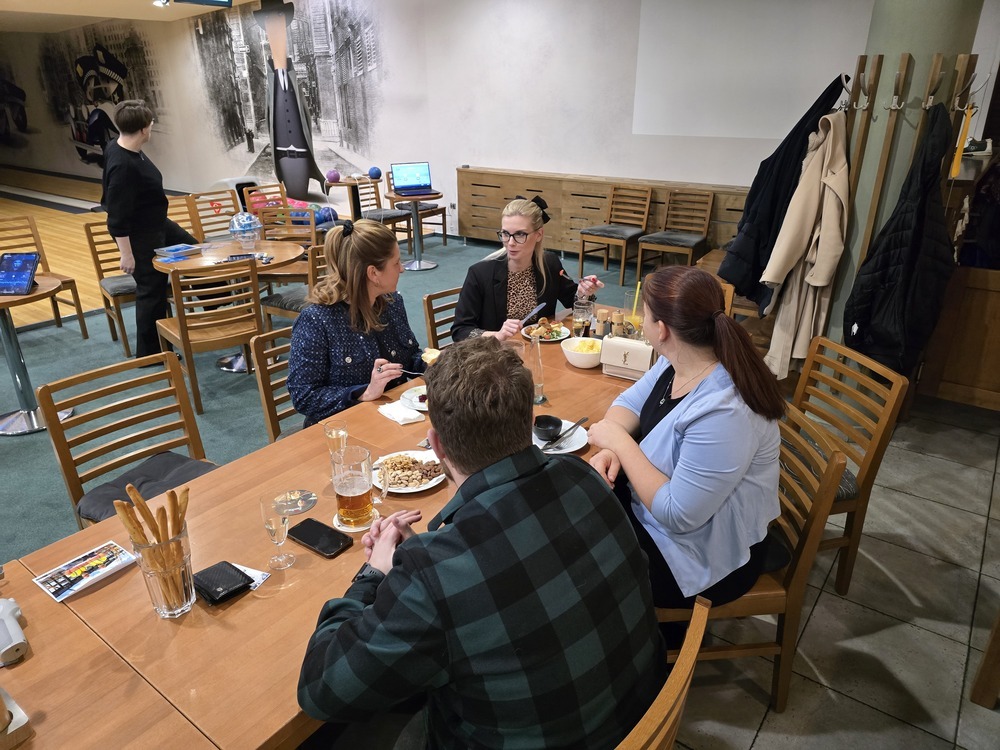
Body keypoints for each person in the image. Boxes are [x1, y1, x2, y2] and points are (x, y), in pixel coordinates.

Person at [297, 337, 666, 749]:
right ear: (527, 421)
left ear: (437, 445)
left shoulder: (435, 571)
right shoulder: (585, 478)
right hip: (636, 723)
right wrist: (424, 560)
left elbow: (320, 690)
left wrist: (374, 574)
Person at [588, 266, 787, 630]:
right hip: (666, 523)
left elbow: (679, 515)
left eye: (644, 315)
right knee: (576, 513)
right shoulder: (681, 361)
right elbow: (628, 403)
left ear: (662, 329)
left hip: (705, 558)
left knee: (580, 564)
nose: (642, 322)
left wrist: (619, 443)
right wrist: (612, 448)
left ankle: (641, 648)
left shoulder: (725, 410)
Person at [287, 219, 423, 426]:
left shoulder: (392, 303)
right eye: (396, 263)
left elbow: (410, 358)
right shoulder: (316, 320)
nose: (402, 269)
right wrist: (364, 392)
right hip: (343, 428)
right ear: (373, 273)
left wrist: (439, 362)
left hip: (395, 417)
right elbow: (304, 396)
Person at [101, 99, 198, 358]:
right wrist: (126, 254)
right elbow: (117, 217)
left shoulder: (122, 146)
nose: (152, 126)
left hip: (158, 224)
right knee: (151, 289)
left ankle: (216, 306)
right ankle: (151, 354)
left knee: (196, 252)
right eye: (151, 123)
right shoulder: (123, 166)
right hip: (139, 236)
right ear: (144, 129)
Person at [451, 196, 603, 341]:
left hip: (538, 349)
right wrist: (497, 335)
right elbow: (461, 331)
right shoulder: (480, 273)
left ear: (539, 234)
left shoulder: (549, 264)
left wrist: (583, 293)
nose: (510, 243)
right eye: (505, 234)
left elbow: (573, 301)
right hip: (496, 353)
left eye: (520, 234)